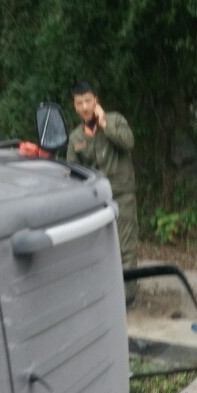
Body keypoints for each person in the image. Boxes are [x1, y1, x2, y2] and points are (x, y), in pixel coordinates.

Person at [66, 81, 138, 285]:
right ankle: (105, 291)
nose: (84, 107)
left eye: (88, 101)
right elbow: (73, 172)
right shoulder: (76, 137)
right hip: (95, 201)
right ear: (75, 106)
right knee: (99, 247)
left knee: (125, 248)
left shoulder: (115, 120)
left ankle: (127, 295)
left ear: (96, 101)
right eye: (79, 103)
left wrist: (104, 123)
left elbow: (128, 142)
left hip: (122, 195)